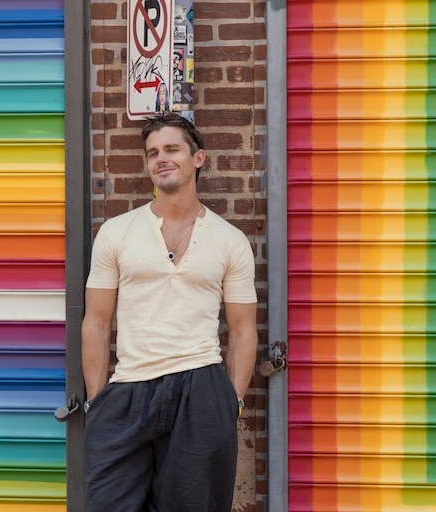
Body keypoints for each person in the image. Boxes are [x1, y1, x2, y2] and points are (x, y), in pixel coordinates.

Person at [81, 112, 258, 511]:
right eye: (153, 152)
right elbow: (96, 321)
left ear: (198, 158)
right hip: (128, 388)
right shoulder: (117, 232)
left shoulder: (230, 240)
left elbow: (243, 330)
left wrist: (233, 400)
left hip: (201, 387)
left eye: (172, 149)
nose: (161, 158)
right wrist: (96, 402)